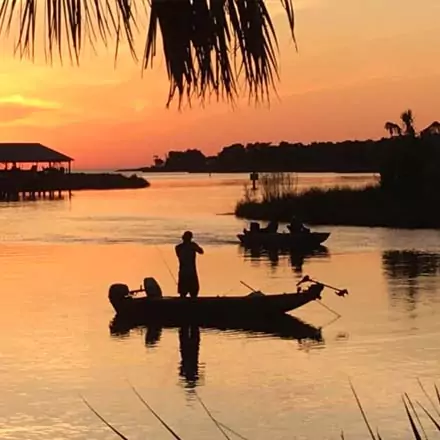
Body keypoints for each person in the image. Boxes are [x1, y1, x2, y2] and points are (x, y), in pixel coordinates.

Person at [175, 231, 204, 298]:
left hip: (185, 271)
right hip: (189, 271)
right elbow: (201, 251)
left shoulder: (179, 247)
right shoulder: (189, 246)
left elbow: (201, 251)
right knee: (188, 292)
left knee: (188, 292)